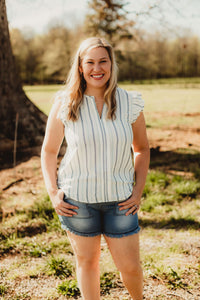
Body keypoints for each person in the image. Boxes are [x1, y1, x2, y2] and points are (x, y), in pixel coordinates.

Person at [41, 37, 150, 300]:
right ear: (80, 67)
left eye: (103, 61)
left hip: (121, 201)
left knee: (131, 268)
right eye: (89, 62)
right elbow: (48, 151)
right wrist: (53, 192)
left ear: (112, 65)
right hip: (78, 202)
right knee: (88, 264)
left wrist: (137, 192)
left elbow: (142, 149)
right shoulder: (65, 103)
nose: (96, 68)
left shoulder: (129, 102)